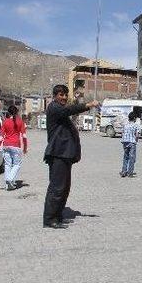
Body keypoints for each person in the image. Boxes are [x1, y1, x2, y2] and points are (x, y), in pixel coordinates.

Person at [42, 85, 99, 229]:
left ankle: (58, 215)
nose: (64, 97)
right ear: (55, 95)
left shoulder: (61, 111)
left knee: (64, 188)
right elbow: (69, 110)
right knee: (57, 188)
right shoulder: (54, 108)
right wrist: (88, 105)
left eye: (66, 95)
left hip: (65, 155)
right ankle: (50, 219)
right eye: (61, 95)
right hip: (58, 154)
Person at [0, 105, 28, 190]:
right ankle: (10, 179)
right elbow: (24, 136)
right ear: (17, 112)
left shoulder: (5, 122)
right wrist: (25, 148)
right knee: (17, 164)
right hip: (16, 146)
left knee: (7, 164)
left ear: (8, 112)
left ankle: (8, 184)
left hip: (6, 145)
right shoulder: (20, 122)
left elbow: (1, 137)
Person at [120, 111, 141, 178]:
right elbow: (137, 135)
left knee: (126, 157)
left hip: (125, 142)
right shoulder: (135, 125)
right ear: (134, 118)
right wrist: (136, 140)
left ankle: (123, 171)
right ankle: (130, 173)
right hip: (132, 142)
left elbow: (122, 133)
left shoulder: (125, 125)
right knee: (132, 158)